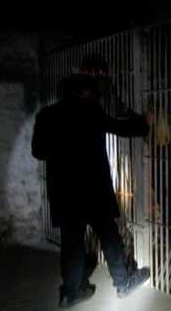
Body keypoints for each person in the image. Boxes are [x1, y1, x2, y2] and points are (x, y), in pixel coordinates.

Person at [31, 57, 150, 308]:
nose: (94, 95)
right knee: (108, 235)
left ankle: (70, 293)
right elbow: (121, 127)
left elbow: (38, 152)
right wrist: (144, 123)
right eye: (90, 91)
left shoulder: (46, 115)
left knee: (71, 243)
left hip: (63, 193)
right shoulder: (91, 112)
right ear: (83, 93)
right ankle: (123, 282)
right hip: (93, 191)